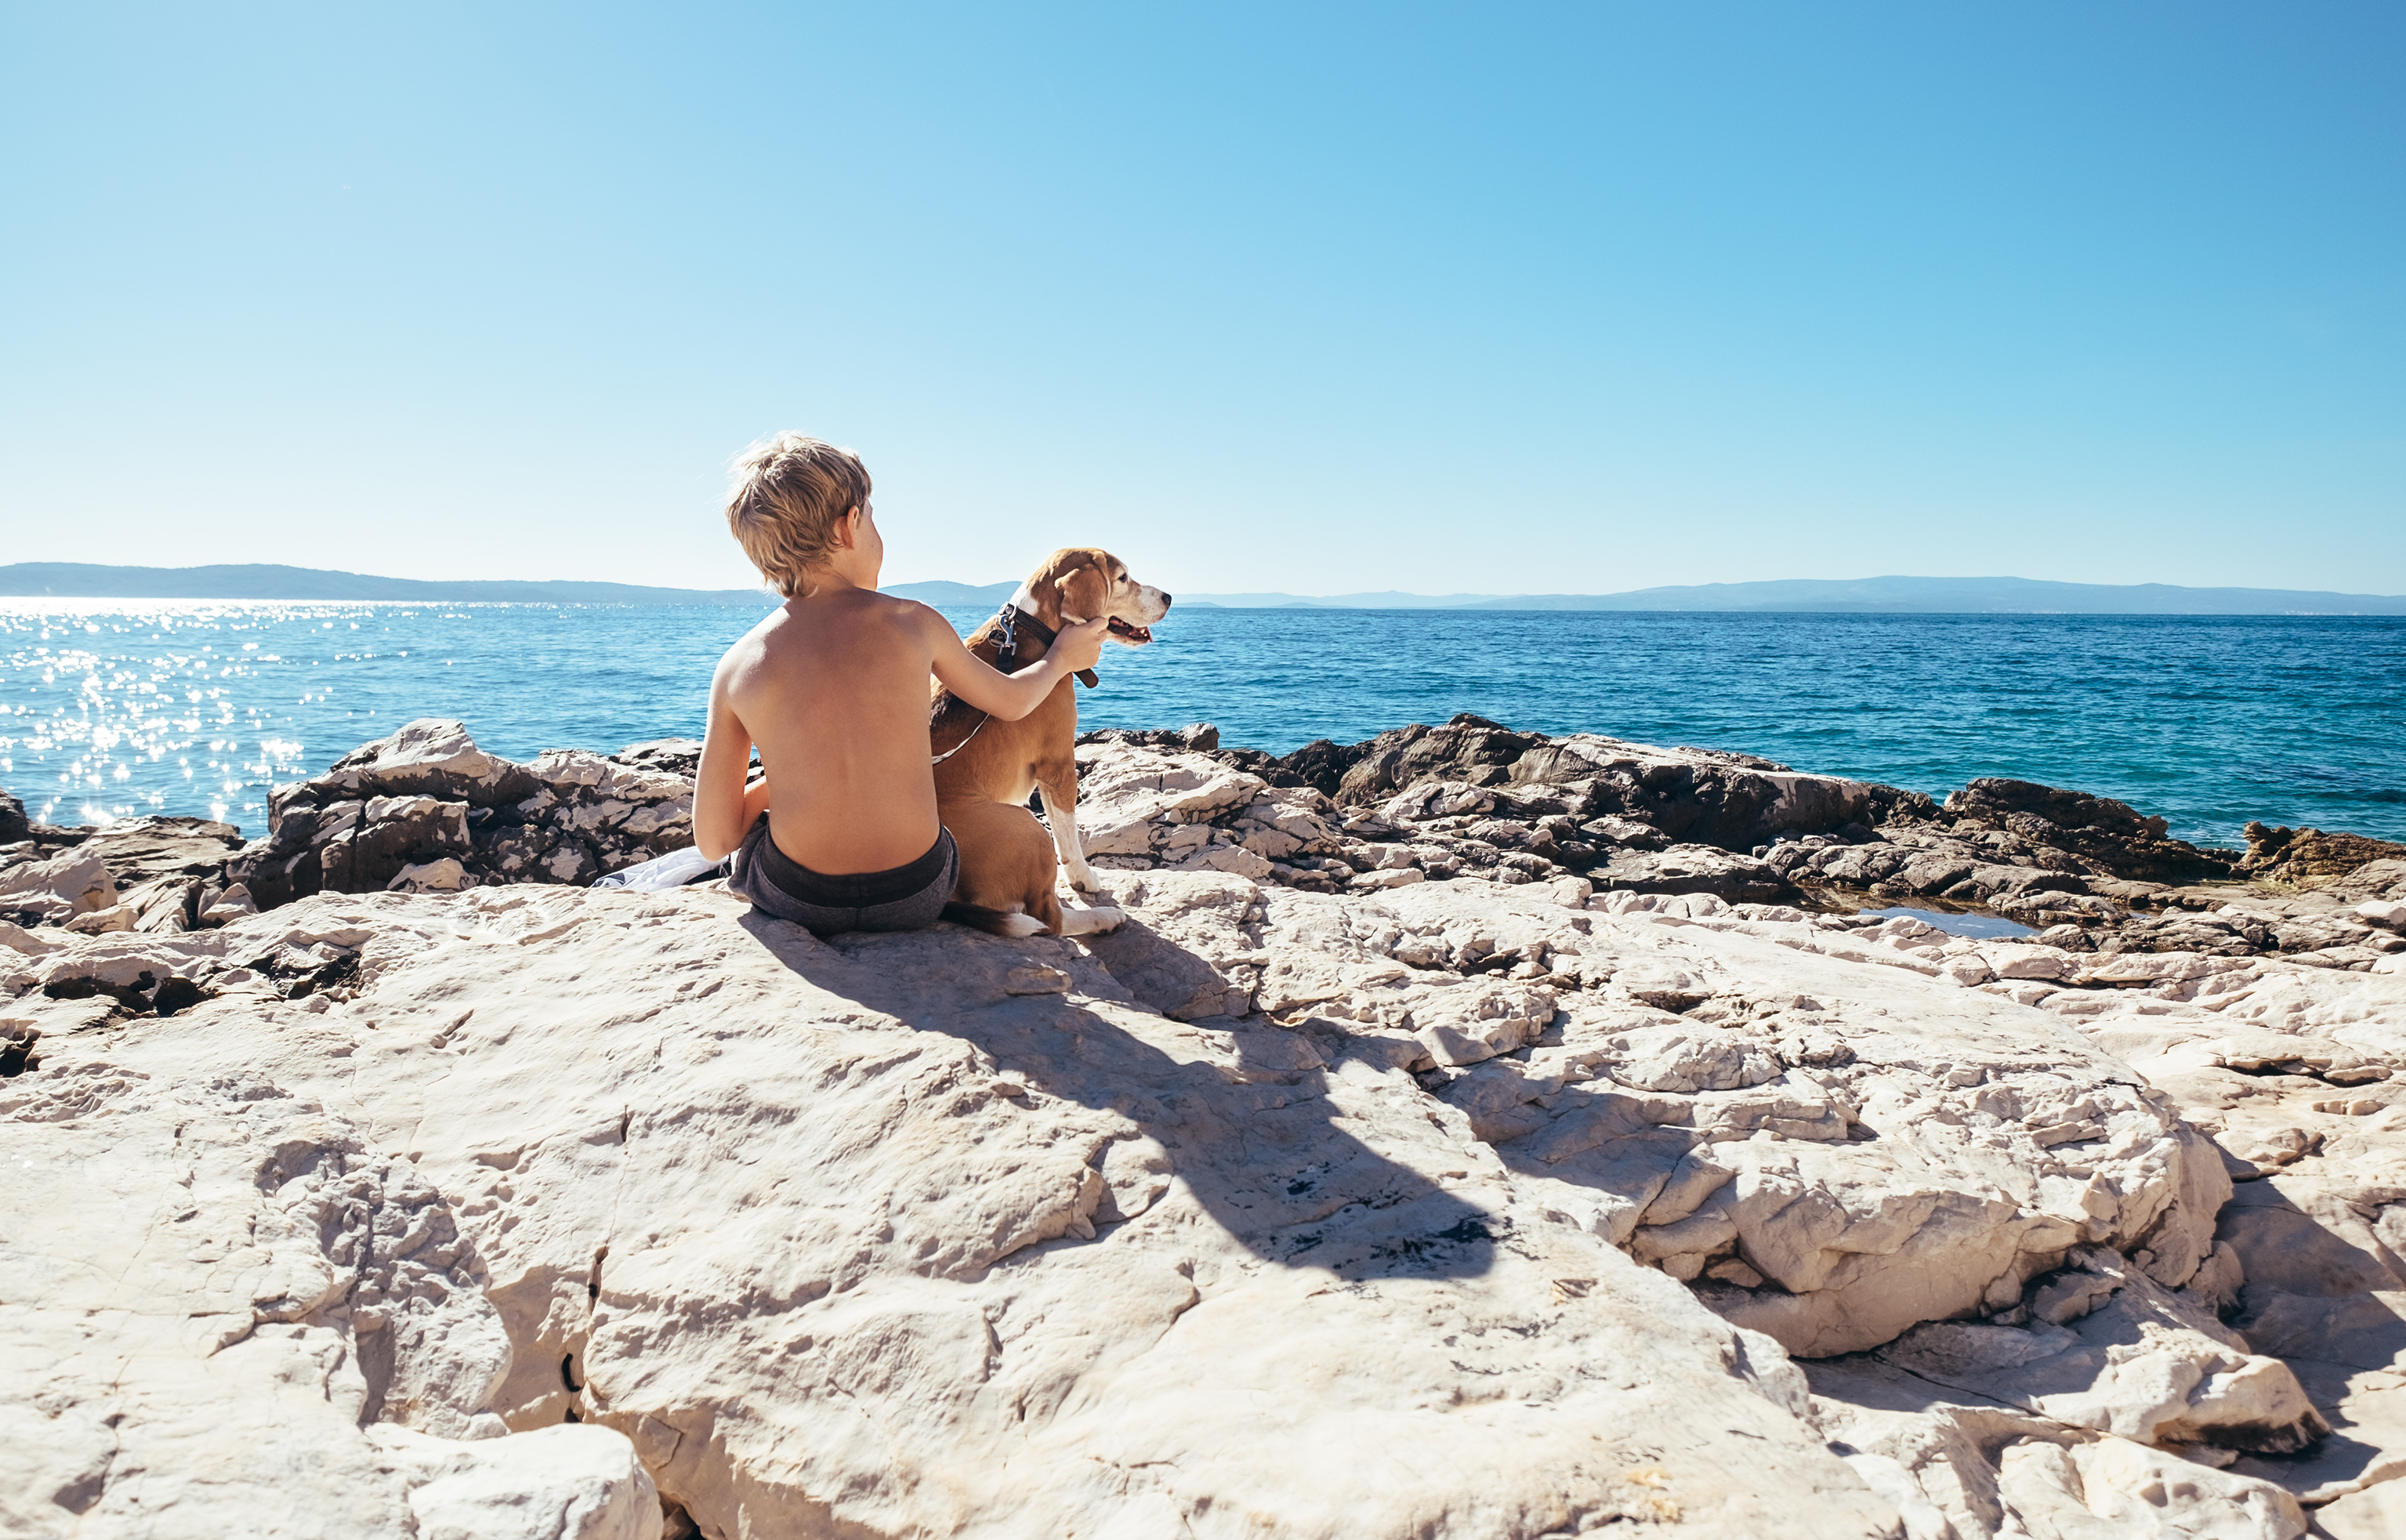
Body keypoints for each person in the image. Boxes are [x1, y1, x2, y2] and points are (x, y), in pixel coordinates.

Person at [692, 433, 1107, 935]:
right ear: (849, 526)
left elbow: (715, 841)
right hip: (918, 891)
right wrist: (1061, 658)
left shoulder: (738, 667)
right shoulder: (915, 623)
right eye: (871, 517)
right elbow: (1014, 702)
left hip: (801, 900)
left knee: (758, 844)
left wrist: (781, 781)